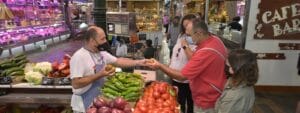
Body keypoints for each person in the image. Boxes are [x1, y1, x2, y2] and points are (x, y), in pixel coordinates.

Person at [146, 19, 228, 113]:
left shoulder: (206, 51)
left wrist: (160, 66)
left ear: (199, 33)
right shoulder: (215, 40)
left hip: (207, 100)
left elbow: (182, 76)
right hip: (213, 94)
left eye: (189, 35)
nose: (188, 38)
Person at [70, 26, 145, 113]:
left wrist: (140, 62)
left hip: (99, 99)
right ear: (92, 41)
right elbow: (76, 83)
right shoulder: (79, 57)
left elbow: (119, 61)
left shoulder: (101, 53)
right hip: (84, 103)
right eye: (102, 39)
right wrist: (100, 74)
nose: (105, 41)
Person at [169, 14, 197, 113]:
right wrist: (170, 65)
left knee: (190, 103)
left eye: (188, 25)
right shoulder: (181, 35)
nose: (186, 28)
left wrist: (185, 46)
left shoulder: (197, 40)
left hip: (187, 79)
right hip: (175, 75)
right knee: (178, 102)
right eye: (184, 25)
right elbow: (176, 52)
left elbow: (194, 59)